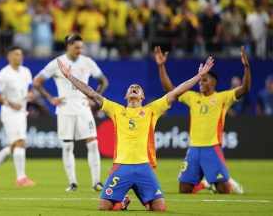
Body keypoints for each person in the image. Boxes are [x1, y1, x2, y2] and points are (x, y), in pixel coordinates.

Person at [56, 55, 215, 211]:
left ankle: (143, 197)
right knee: (104, 207)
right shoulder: (116, 110)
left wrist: (199, 76)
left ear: (143, 97)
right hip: (121, 166)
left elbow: (176, 92)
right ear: (126, 96)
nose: (134, 88)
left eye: (137, 88)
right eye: (131, 87)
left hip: (143, 167)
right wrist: (70, 77)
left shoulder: (152, 110)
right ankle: (123, 201)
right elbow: (91, 93)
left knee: (160, 208)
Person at [154, 45, 249, 194]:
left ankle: (231, 183)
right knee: (184, 190)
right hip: (193, 147)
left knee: (224, 190)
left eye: (204, 80)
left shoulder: (222, 97)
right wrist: (161, 66)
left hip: (212, 146)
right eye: (200, 80)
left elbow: (245, 88)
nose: (201, 83)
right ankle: (205, 184)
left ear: (213, 83)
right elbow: (169, 89)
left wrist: (247, 68)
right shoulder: (192, 97)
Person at [32, 34, 109, 192]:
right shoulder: (57, 63)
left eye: (81, 47)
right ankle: (72, 182)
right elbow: (36, 82)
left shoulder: (88, 62)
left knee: (93, 144)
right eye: (76, 48)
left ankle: (96, 182)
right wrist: (50, 98)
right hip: (65, 109)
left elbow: (104, 81)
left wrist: (94, 100)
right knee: (67, 147)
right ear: (68, 46)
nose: (79, 50)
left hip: (83, 109)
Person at [0, 46, 36, 187]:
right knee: (21, 143)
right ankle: (21, 178)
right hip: (10, 113)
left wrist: (31, 94)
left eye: (21, 54)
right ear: (10, 57)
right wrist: (11, 104)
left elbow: (31, 88)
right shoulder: (4, 74)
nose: (20, 57)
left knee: (14, 146)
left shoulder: (26, 71)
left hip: (22, 112)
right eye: (17, 54)